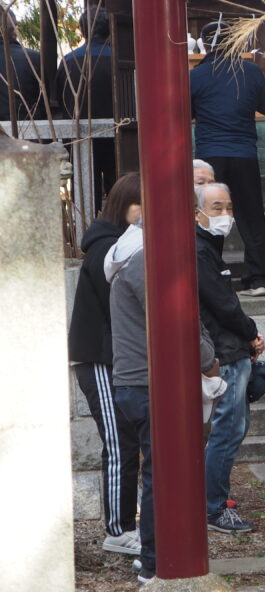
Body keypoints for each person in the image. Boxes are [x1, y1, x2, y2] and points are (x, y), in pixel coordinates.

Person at [108, 200, 219, 584]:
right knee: (164, 474)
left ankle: (153, 556)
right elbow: (182, 322)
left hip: (134, 381)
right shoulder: (148, 265)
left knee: (158, 473)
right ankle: (156, 561)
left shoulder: (126, 261)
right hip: (149, 383)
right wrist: (208, 360)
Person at [67, 172, 143, 557]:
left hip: (116, 358)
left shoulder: (115, 243)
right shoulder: (108, 249)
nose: (146, 213)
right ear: (123, 205)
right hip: (100, 358)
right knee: (119, 443)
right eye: (139, 205)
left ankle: (125, 522)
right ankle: (117, 528)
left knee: (127, 441)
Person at [195, 181, 265, 534]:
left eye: (228, 207)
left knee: (233, 427)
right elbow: (223, 306)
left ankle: (212, 498)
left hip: (229, 345)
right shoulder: (198, 250)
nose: (226, 215)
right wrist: (250, 331)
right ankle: (213, 506)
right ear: (197, 212)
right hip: (223, 350)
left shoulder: (209, 245)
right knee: (228, 428)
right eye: (217, 207)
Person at [190, 21, 265, 297]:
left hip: (209, 156)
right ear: (236, 42)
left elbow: (185, 111)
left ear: (204, 45)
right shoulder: (251, 72)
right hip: (244, 153)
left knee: (209, 212)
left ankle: (213, 272)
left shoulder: (196, 75)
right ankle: (257, 279)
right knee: (251, 215)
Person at [60, 6, 117, 205]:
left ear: (82, 31)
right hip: (118, 138)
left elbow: (61, 100)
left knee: (85, 194)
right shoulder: (120, 60)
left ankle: (87, 231)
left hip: (80, 135)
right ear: (110, 28)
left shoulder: (68, 61)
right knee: (119, 190)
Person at [0, 8, 43, 122]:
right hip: (29, 132)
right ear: (15, 28)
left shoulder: (33, 57)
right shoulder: (33, 58)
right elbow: (43, 100)